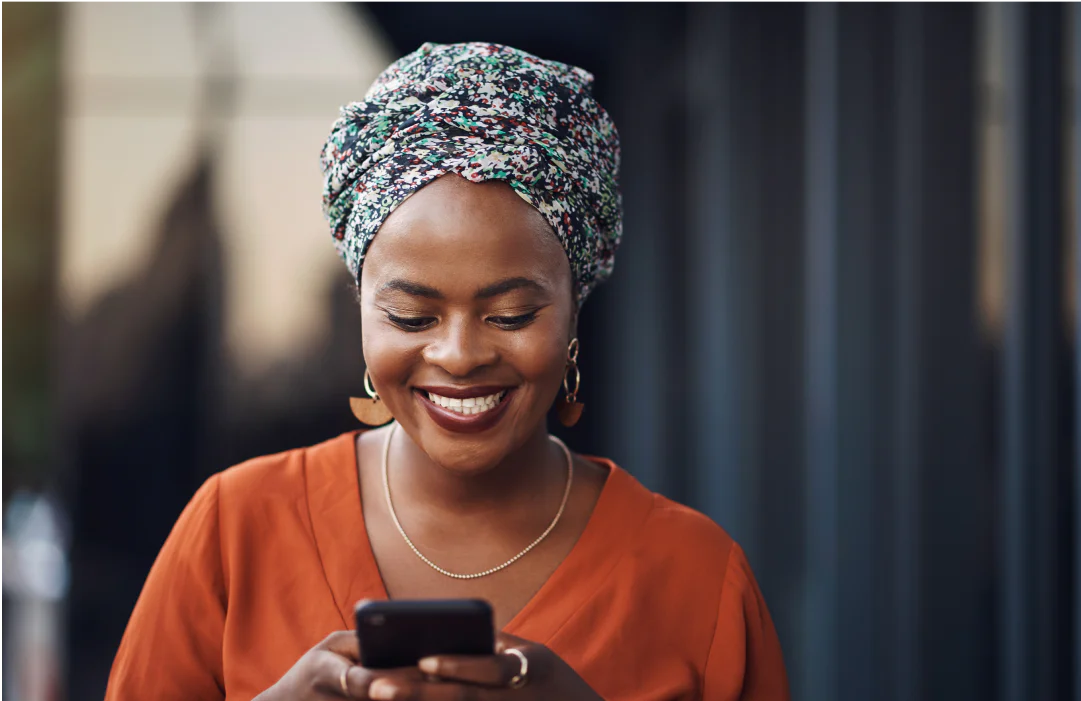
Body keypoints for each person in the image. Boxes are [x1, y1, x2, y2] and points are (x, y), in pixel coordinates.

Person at [104, 42, 789, 701]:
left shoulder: (696, 576)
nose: (459, 356)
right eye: (411, 317)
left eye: (512, 314)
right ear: (361, 314)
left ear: (574, 312)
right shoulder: (234, 531)